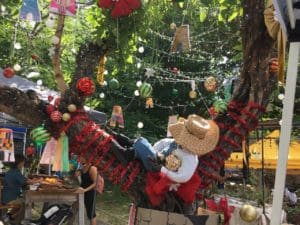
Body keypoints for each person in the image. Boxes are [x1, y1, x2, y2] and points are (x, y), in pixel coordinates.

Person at [129, 115, 220, 212]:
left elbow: (183, 177)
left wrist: (161, 169)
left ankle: (132, 149)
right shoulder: (175, 143)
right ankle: (133, 148)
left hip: (161, 174)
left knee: (141, 142)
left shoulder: (191, 158)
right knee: (142, 142)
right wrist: (155, 153)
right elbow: (162, 143)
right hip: (156, 161)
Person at [2, 154, 29, 224]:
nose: (23, 164)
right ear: (19, 163)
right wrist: (38, 181)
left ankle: (7, 217)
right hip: (10, 199)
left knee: (23, 202)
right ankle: (15, 220)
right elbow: (26, 181)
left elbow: (23, 180)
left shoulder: (11, 171)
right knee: (26, 203)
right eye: (23, 162)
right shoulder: (16, 172)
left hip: (6, 197)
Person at [75, 156, 97, 225]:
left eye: (81, 157)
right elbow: (82, 181)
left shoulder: (92, 168)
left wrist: (85, 190)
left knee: (91, 214)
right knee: (79, 209)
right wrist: (77, 174)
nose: (79, 159)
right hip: (82, 192)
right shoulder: (82, 167)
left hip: (90, 193)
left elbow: (95, 183)